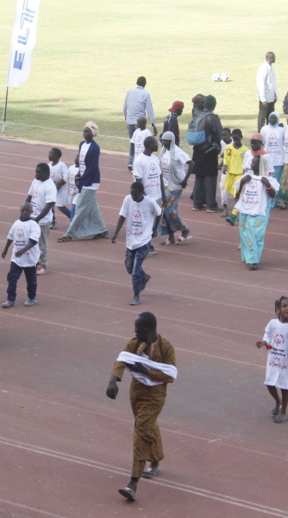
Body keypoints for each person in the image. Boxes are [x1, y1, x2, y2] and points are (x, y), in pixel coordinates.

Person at [106, 312, 176, 502]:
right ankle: (155, 459)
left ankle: (133, 482)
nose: (134, 331)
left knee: (141, 430)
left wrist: (146, 371)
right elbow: (121, 360)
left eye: (137, 328)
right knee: (148, 426)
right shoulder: (134, 343)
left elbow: (170, 375)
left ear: (146, 330)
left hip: (155, 397)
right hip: (136, 393)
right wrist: (114, 381)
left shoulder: (166, 348)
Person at [111, 182, 162, 305]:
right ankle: (144, 277)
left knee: (135, 270)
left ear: (141, 193)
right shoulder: (128, 200)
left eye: (135, 195)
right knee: (129, 266)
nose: (133, 197)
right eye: (131, 194)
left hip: (144, 241)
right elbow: (122, 216)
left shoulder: (149, 202)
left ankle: (136, 295)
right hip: (131, 240)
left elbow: (159, 213)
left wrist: (154, 229)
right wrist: (116, 233)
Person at [57, 122, 108, 242]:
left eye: (88, 131)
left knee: (81, 208)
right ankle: (103, 231)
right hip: (83, 179)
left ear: (93, 133)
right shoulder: (81, 144)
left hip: (91, 182)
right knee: (93, 208)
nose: (85, 134)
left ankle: (70, 234)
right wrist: (79, 175)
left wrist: (83, 179)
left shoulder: (95, 148)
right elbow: (81, 163)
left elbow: (92, 167)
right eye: (84, 131)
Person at [255, 297, 288, 424]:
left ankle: (283, 411)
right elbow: (268, 336)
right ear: (278, 309)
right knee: (270, 383)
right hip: (274, 359)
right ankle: (277, 401)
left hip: (287, 361)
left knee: (285, 386)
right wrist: (264, 342)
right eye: (284, 306)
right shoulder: (272, 323)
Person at [235, 154, 278, 270]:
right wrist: (242, 182)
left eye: (253, 163)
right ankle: (247, 257)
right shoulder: (246, 177)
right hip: (245, 210)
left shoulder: (269, 180)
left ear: (260, 165)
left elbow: (273, 195)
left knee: (256, 234)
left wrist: (267, 185)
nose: (251, 164)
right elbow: (237, 195)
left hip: (260, 212)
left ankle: (254, 261)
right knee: (245, 233)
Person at [1, 203, 40, 308]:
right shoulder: (16, 223)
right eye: (23, 210)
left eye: (27, 211)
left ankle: (32, 298)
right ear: (20, 211)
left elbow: (33, 241)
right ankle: (10, 299)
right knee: (12, 278)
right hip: (16, 258)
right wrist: (5, 249)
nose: (25, 212)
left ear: (31, 212)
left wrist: (23, 251)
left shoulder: (34, 225)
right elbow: (10, 237)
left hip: (31, 259)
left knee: (31, 280)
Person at [158, 131, 193, 245]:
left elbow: (192, 163)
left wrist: (185, 180)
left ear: (171, 141)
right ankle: (171, 237)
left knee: (168, 209)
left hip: (176, 184)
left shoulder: (177, 152)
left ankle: (184, 229)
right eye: (162, 141)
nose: (164, 143)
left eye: (166, 141)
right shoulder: (163, 151)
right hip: (165, 184)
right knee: (166, 211)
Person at [189, 95, 223, 212]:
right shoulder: (213, 118)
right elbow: (218, 134)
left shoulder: (197, 114)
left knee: (199, 177)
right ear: (214, 105)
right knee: (210, 178)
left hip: (197, 150)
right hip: (209, 150)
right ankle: (211, 205)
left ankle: (197, 203)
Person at [131, 136, 163, 254]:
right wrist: (143, 198)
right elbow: (138, 182)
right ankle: (145, 246)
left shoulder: (155, 158)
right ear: (150, 145)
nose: (157, 145)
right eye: (155, 144)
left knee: (152, 223)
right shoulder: (139, 160)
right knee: (145, 224)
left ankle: (145, 244)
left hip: (156, 196)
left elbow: (159, 176)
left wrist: (163, 194)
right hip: (147, 197)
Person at [26, 163, 56, 275]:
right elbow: (29, 196)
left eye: (39, 172)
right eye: (36, 172)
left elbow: (49, 205)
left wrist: (37, 219)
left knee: (42, 244)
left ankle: (42, 265)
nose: (36, 174)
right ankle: (33, 262)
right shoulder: (35, 181)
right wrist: (25, 210)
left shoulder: (50, 186)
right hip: (31, 217)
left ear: (46, 173)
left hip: (43, 220)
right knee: (31, 241)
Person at [222, 129, 248, 222]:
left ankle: (234, 216)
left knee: (237, 195)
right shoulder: (228, 147)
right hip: (230, 174)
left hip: (240, 175)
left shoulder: (245, 150)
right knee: (235, 195)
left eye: (237, 139)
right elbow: (226, 158)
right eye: (234, 139)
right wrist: (224, 166)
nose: (236, 141)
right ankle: (239, 214)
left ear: (241, 138)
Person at [261, 112, 285, 207]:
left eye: (274, 118)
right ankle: (268, 200)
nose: (272, 120)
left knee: (276, 181)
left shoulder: (282, 130)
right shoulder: (264, 129)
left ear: (278, 119)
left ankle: (275, 201)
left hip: (278, 159)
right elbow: (262, 143)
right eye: (271, 118)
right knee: (267, 180)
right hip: (267, 159)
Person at [48, 147, 70, 226]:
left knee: (61, 207)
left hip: (60, 189)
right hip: (51, 189)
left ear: (56, 156)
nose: (49, 155)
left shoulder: (62, 165)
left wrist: (58, 185)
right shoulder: (49, 165)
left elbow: (66, 177)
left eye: (51, 154)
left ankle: (73, 218)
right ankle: (52, 221)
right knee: (50, 205)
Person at [256, 52, 278, 132]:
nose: (275, 59)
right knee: (262, 118)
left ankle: (270, 132)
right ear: (270, 58)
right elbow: (261, 85)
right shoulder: (263, 69)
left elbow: (273, 83)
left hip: (271, 98)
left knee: (271, 117)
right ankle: (260, 133)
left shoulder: (271, 67)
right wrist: (263, 99)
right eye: (274, 57)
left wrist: (275, 96)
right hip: (265, 99)